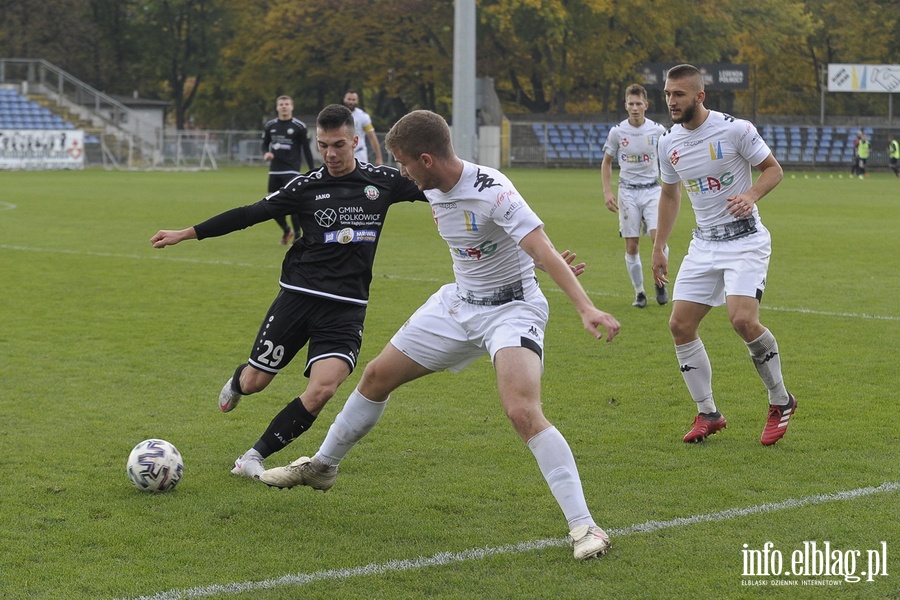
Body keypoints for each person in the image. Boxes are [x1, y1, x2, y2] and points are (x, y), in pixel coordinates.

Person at [260, 109, 622, 561]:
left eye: (404, 163)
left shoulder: (494, 191)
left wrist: (585, 306)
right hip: (457, 304)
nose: (400, 173)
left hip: (512, 310)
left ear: (426, 160)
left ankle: (585, 527)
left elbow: (540, 245)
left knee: (521, 410)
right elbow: (489, 248)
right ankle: (322, 467)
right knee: (375, 377)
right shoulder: (431, 186)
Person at [150, 104, 428, 479]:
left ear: (355, 142)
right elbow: (249, 214)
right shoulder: (306, 186)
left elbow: (438, 185)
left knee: (323, 390)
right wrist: (187, 233)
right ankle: (238, 381)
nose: (330, 153)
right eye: (323, 145)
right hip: (298, 299)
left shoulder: (383, 182)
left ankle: (252, 457)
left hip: (345, 309)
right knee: (255, 382)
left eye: (339, 145)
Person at [650, 64, 796, 446]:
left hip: (745, 241)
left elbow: (773, 170)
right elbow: (669, 194)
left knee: (743, 320)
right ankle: (708, 412)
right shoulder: (667, 142)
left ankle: (780, 401)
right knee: (680, 325)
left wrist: (750, 196)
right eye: (667, 94)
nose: (670, 101)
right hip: (703, 244)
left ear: (700, 96)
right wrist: (659, 246)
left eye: (678, 94)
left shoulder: (736, 129)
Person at [601, 83, 669, 308]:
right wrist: (608, 191)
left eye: (639, 103)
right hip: (628, 191)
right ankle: (639, 292)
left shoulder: (658, 131)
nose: (635, 107)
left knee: (657, 237)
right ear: (626, 105)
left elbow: (670, 157)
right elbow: (607, 162)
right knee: (632, 245)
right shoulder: (617, 132)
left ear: (646, 105)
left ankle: (660, 281)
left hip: (652, 189)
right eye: (631, 104)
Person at [262, 95, 316, 245]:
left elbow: (306, 149)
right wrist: (266, 152)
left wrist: (312, 170)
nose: (284, 106)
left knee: (293, 204)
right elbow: (265, 144)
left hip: (292, 171)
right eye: (281, 104)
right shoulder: (270, 125)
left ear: (292, 107)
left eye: (287, 104)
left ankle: (298, 236)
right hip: (274, 171)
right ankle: (287, 230)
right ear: (277, 107)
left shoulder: (299, 126)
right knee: (271, 205)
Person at [342, 90, 383, 165]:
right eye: (349, 99)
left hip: (359, 154)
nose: (351, 102)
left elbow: (372, 137)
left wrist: (379, 157)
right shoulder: (338, 115)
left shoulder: (363, 116)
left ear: (357, 101)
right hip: (342, 153)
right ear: (344, 99)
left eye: (353, 100)